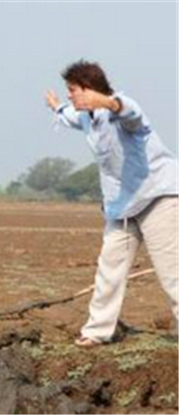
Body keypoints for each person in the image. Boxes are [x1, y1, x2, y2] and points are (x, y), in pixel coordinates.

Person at [44, 60, 178, 347]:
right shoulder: (83, 116)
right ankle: (97, 331)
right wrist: (55, 107)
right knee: (109, 268)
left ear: (89, 89)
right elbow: (67, 115)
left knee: (172, 272)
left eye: (73, 90)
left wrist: (106, 101)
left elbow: (130, 111)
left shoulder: (121, 111)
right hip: (122, 205)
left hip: (158, 196)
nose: (70, 95)